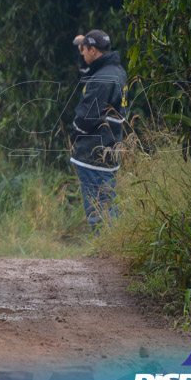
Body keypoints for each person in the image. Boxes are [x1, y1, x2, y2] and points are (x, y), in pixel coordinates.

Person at [69, 29, 127, 231]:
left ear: (93, 50)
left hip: (94, 151)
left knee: (97, 209)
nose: (82, 55)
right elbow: (88, 71)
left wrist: (74, 134)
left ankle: (104, 252)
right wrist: (80, 46)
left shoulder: (102, 79)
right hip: (111, 147)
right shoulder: (116, 71)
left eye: (84, 50)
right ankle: (114, 247)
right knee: (109, 204)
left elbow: (86, 117)